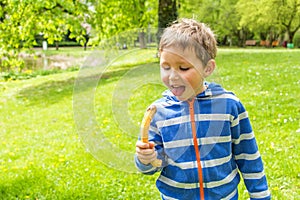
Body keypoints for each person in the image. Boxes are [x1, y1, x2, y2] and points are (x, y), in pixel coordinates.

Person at [134, 18, 271, 200]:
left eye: (183, 68)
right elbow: (155, 165)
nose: (172, 76)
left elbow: (248, 156)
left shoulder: (229, 106)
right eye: (165, 67)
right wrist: (146, 159)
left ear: (208, 68)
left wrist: (260, 196)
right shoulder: (158, 113)